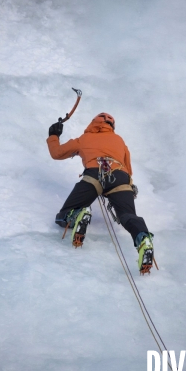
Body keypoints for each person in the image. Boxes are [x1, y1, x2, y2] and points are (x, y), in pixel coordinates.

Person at [47, 113, 154, 274]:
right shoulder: (119, 140)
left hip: (94, 175)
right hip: (120, 177)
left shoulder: (84, 139)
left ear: (93, 124)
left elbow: (57, 153)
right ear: (112, 126)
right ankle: (142, 237)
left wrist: (53, 135)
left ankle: (77, 214)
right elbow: (128, 168)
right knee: (127, 215)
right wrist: (127, 187)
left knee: (63, 215)